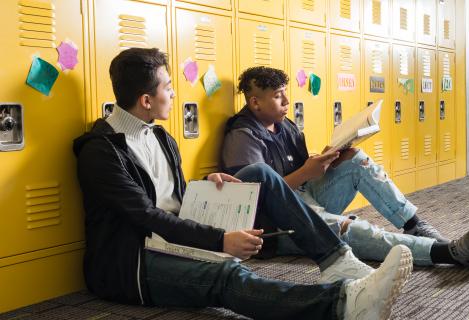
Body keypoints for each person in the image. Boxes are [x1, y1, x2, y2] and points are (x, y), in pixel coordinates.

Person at [73, 48, 412, 320]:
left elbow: (166, 196)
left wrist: (205, 181)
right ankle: (344, 304)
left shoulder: (161, 136)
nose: (175, 94)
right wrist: (221, 240)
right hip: (131, 263)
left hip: (172, 237)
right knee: (227, 274)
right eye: (168, 87)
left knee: (261, 173)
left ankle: (335, 259)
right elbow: (146, 214)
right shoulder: (101, 151)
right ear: (147, 101)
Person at [221, 66, 469, 268]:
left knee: (356, 159)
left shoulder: (285, 125)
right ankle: (448, 253)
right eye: (278, 96)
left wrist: (327, 159)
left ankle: (414, 224)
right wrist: (306, 172)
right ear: (255, 102)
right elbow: (253, 197)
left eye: (286, 92)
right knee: (348, 228)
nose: (287, 100)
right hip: (277, 226)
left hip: (305, 197)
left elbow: (302, 173)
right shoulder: (242, 136)